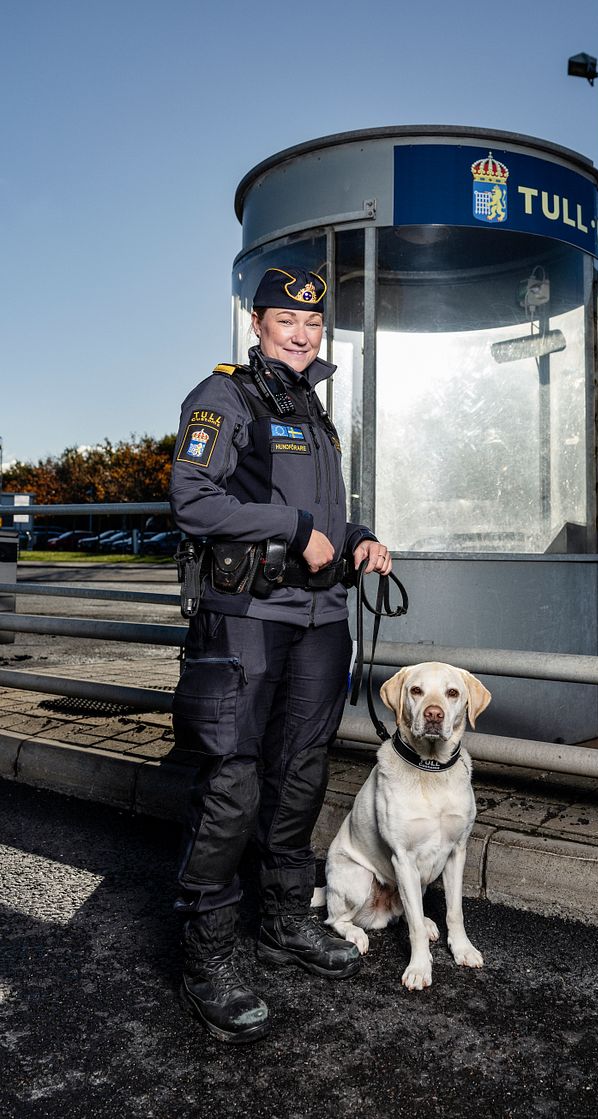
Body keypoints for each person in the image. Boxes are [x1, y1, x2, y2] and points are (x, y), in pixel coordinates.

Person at [168, 266, 392, 1043]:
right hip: (249, 615)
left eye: (313, 322)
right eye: (286, 320)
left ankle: (282, 922)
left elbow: (324, 512)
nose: (302, 333)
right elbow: (193, 498)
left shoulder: (310, 407)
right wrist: (294, 528)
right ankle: (208, 949)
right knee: (233, 781)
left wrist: (356, 536)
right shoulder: (224, 395)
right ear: (256, 321)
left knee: (301, 770)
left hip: (321, 615)